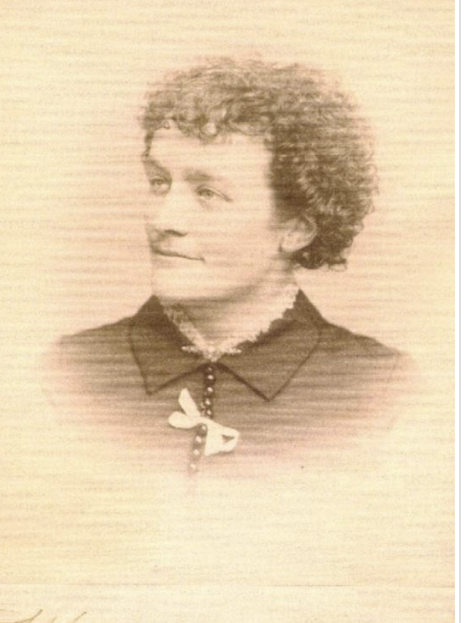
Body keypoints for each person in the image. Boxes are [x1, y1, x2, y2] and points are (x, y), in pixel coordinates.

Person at [49, 58, 409, 479]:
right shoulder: (67, 373)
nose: (163, 219)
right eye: (159, 182)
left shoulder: (383, 390)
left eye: (208, 192)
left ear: (295, 229)